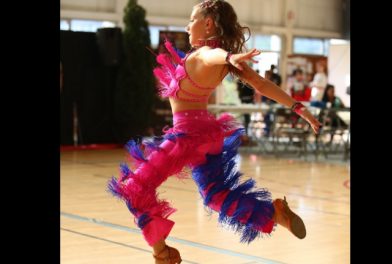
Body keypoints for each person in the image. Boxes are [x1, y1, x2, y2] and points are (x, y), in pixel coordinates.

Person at [108, 1, 321, 263]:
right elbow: (262, 84)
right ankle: (273, 213)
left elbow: (213, 55)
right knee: (216, 196)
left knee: (134, 186)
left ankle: (162, 253)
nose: (187, 27)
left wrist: (229, 56)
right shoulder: (217, 60)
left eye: (192, 20)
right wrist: (300, 108)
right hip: (207, 139)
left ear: (207, 23)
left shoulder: (206, 56)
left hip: (185, 137)